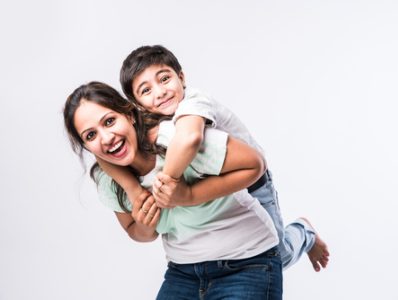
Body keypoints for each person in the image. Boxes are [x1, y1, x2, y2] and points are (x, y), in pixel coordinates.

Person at [109, 44, 329, 271]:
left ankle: (304, 232)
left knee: (278, 254)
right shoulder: (148, 121)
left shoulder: (194, 101)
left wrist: (167, 183)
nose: (160, 92)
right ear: (137, 105)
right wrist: (132, 189)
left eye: (164, 79)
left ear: (181, 77)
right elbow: (103, 157)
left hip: (253, 182)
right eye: (146, 90)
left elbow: (189, 138)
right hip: (219, 189)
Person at [64, 81, 283, 299]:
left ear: (129, 114)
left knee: (287, 251)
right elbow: (135, 231)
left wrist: (188, 195)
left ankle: (303, 234)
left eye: (110, 121)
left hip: (247, 262)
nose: (106, 138)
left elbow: (255, 164)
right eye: (90, 135)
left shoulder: (175, 139)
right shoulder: (110, 180)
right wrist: (144, 223)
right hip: (183, 271)